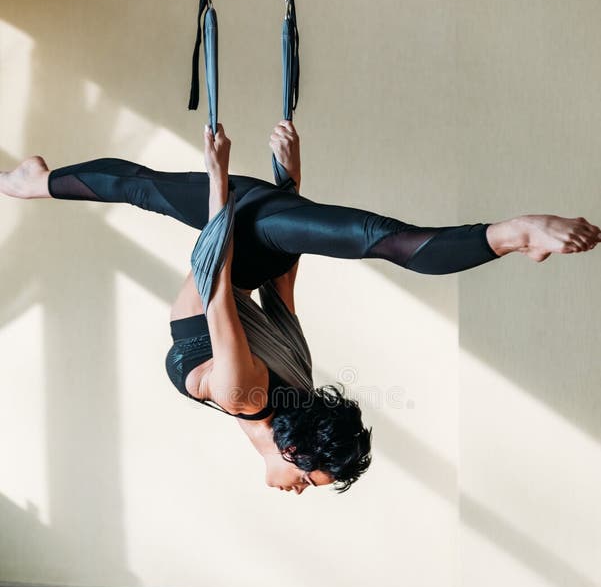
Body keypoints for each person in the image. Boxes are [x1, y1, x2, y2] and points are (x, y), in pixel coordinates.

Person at [2, 122, 599, 494]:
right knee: (381, 240)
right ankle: (513, 233)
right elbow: (229, 285)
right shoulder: (254, 395)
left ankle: (34, 181)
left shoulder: (269, 394)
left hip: (243, 238)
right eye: (312, 480)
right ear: (292, 446)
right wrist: (244, 186)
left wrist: (272, 190)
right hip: (235, 237)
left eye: (313, 480)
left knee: (377, 239)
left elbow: (249, 289)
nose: (303, 488)